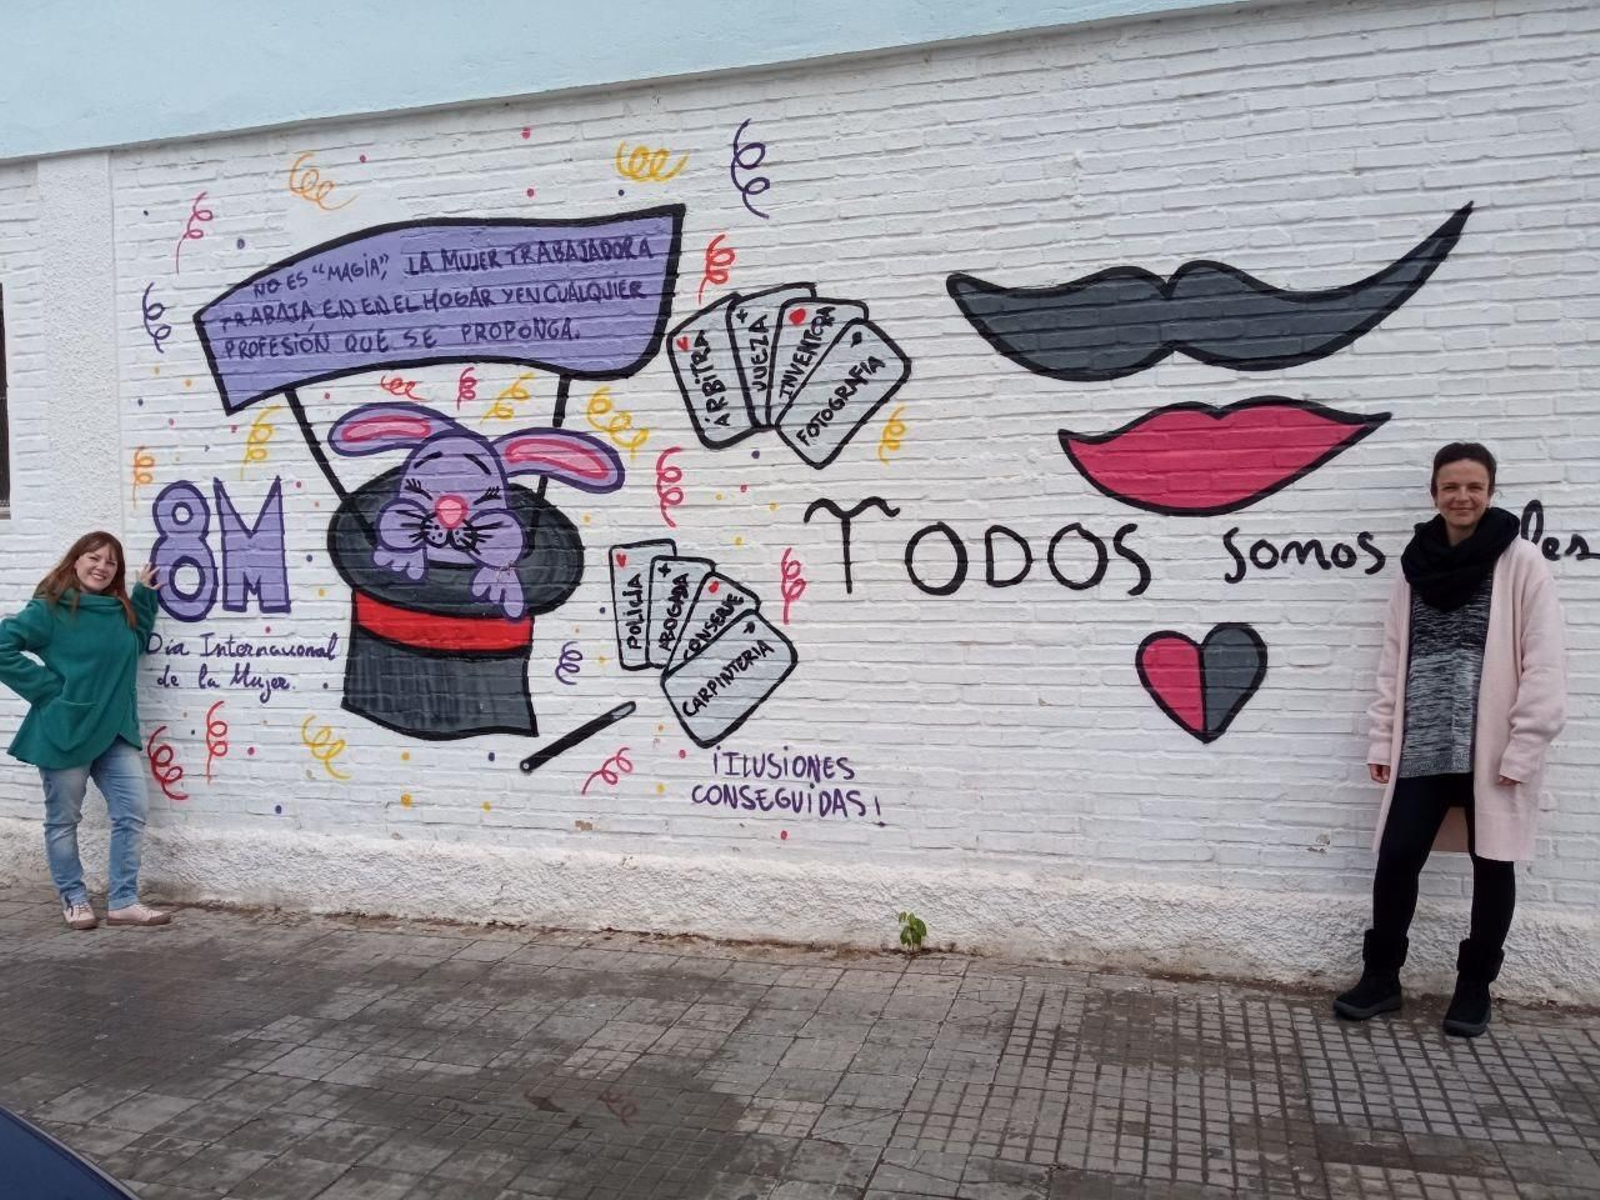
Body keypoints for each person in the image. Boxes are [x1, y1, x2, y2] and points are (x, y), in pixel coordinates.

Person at [1335, 444, 1565, 1036]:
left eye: (1474, 487)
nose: (1462, 498)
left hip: (1491, 749)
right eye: (1450, 487)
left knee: (1493, 865)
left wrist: (1524, 747)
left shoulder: (1521, 562)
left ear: (1491, 491)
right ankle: (1381, 977)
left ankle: (1473, 989)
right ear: (1433, 493)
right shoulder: (1415, 564)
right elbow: (1393, 662)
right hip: (1424, 743)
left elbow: (1545, 665)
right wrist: (1383, 739)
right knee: (1396, 858)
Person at [0, 532, 171, 930]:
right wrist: (46, 691)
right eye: (94, 558)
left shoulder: (117, 609)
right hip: (66, 729)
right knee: (63, 820)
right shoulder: (50, 610)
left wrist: (144, 597)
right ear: (75, 561)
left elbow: (136, 643)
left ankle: (124, 901)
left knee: (132, 814)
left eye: (111, 562)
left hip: (115, 731)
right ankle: (74, 899)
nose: (102, 567)